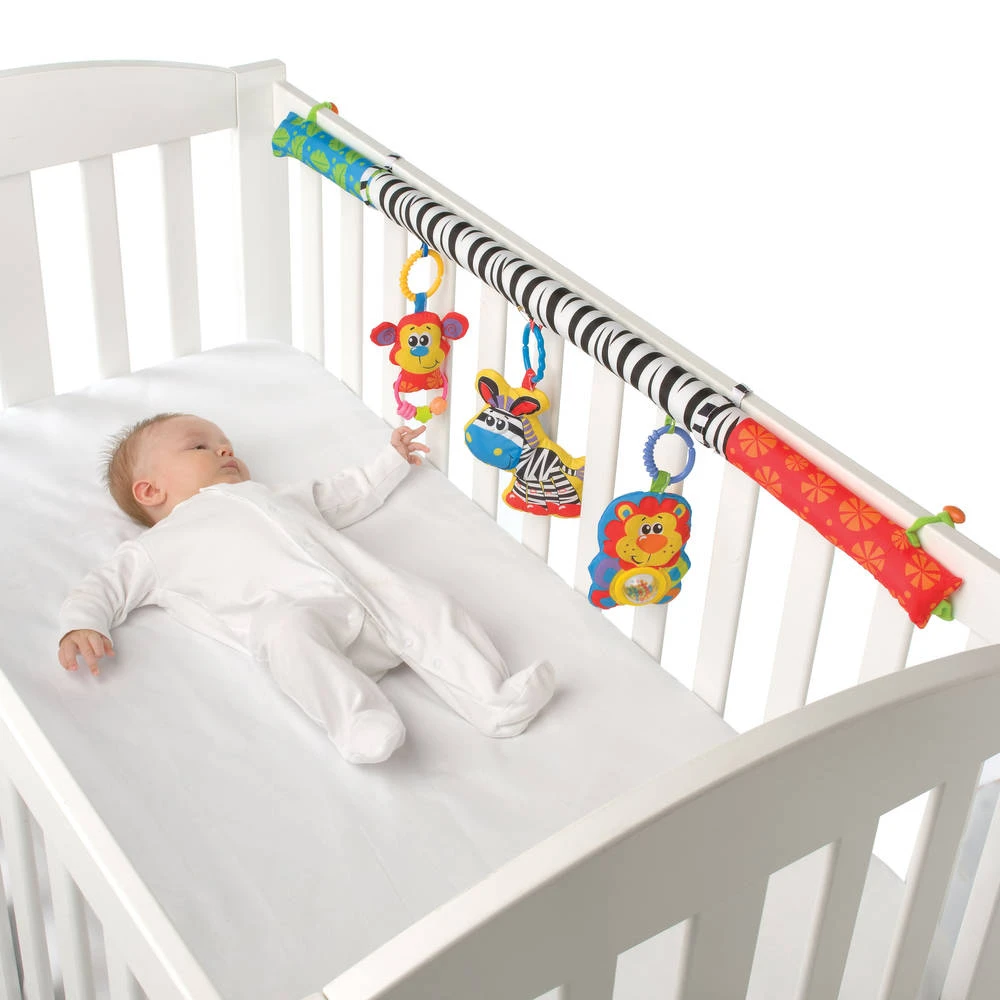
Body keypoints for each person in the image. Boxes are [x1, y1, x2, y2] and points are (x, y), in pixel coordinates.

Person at [57, 413, 555, 764]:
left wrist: (391, 460)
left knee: (430, 604)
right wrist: (82, 624)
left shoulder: (270, 495)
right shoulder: (157, 547)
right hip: (306, 621)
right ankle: (358, 721)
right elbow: (104, 585)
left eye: (226, 444)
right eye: (200, 446)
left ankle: (495, 700)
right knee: (283, 634)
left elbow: (343, 494)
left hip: (367, 594)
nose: (225, 450)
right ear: (150, 490)